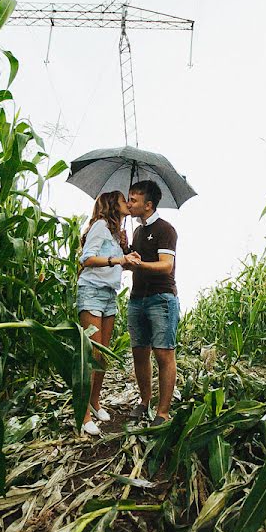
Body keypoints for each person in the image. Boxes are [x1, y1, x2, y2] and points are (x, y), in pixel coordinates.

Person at [77, 191, 141, 436]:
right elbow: (87, 258)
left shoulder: (115, 233)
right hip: (91, 292)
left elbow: (114, 263)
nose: (128, 203)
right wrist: (118, 258)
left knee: (102, 354)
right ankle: (82, 414)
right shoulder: (101, 226)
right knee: (91, 354)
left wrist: (127, 260)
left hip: (108, 295)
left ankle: (95, 402)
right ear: (112, 204)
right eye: (124, 200)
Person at [122, 180, 180, 426]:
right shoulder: (137, 231)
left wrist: (139, 264)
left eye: (133, 200)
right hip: (137, 299)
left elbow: (166, 266)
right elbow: (132, 262)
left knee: (163, 353)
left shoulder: (166, 229)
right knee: (139, 353)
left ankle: (163, 412)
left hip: (161, 299)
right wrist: (124, 252)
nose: (128, 204)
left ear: (148, 205)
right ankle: (144, 402)